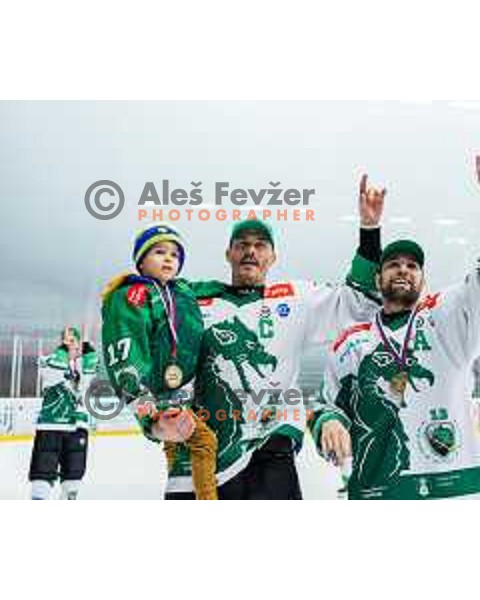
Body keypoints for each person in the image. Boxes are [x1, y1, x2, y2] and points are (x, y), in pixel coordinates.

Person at [313, 131, 480, 499]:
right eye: (393, 264)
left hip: (453, 489)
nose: (403, 270)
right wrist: (329, 423)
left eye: (413, 265)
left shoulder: (447, 318)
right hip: (377, 493)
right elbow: (326, 404)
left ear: (423, 279)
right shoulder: (350, 342)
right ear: (377, 278)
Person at [154, 175, 385, 499]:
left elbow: (357, 302)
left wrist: (369, 230)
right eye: (242, 245)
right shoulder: (192, 302)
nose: (251, 251)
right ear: (229, 254)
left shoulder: (294, 298)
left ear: (272, 257)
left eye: (260, 245)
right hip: (202, 454)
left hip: (270, 451)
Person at [101, 224, 218, 499]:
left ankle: (179, 491)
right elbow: (124, 351)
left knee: (178, 449)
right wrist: (145, 407)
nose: (169, 258)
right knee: (204, 442)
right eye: (159, 251)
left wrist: (237, 289)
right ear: (141, 261)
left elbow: (214, 289)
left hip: (182, 393)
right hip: (155, 395)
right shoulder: (132, 295)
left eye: (175, 255)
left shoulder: (183, 291)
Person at [29, 326, 98, 500]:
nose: (71, 345)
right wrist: (63, 351)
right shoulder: (48, 360)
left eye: (74, 341)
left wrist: (89, 357)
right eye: (67, 341)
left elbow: (86, 387)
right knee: (42, 475)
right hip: (51, 424)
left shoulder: (83, 366)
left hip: (78, 427)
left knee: (73, 479)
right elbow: (54, 374)